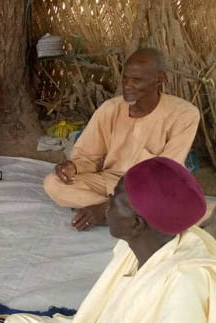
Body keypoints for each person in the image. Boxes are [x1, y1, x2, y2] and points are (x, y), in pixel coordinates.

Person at [2, 157, 215, 323]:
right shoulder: (138, 246)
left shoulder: (185, 284)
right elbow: (105, 319)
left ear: (137, 223)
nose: (106, 206)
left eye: (114, 198)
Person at [45, 48, 200, 231]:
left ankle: (111, 211)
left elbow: (165, 173)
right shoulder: (110, 109)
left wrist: (105, 207)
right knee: (53, 183)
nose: (127, 85)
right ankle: (128, 214)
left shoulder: (184, 114)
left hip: (149, 189)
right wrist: (73, 166)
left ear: (159, 79)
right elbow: (87, 155)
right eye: (125, 78)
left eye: (137, 80)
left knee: (168, 199)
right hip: (108, 181)